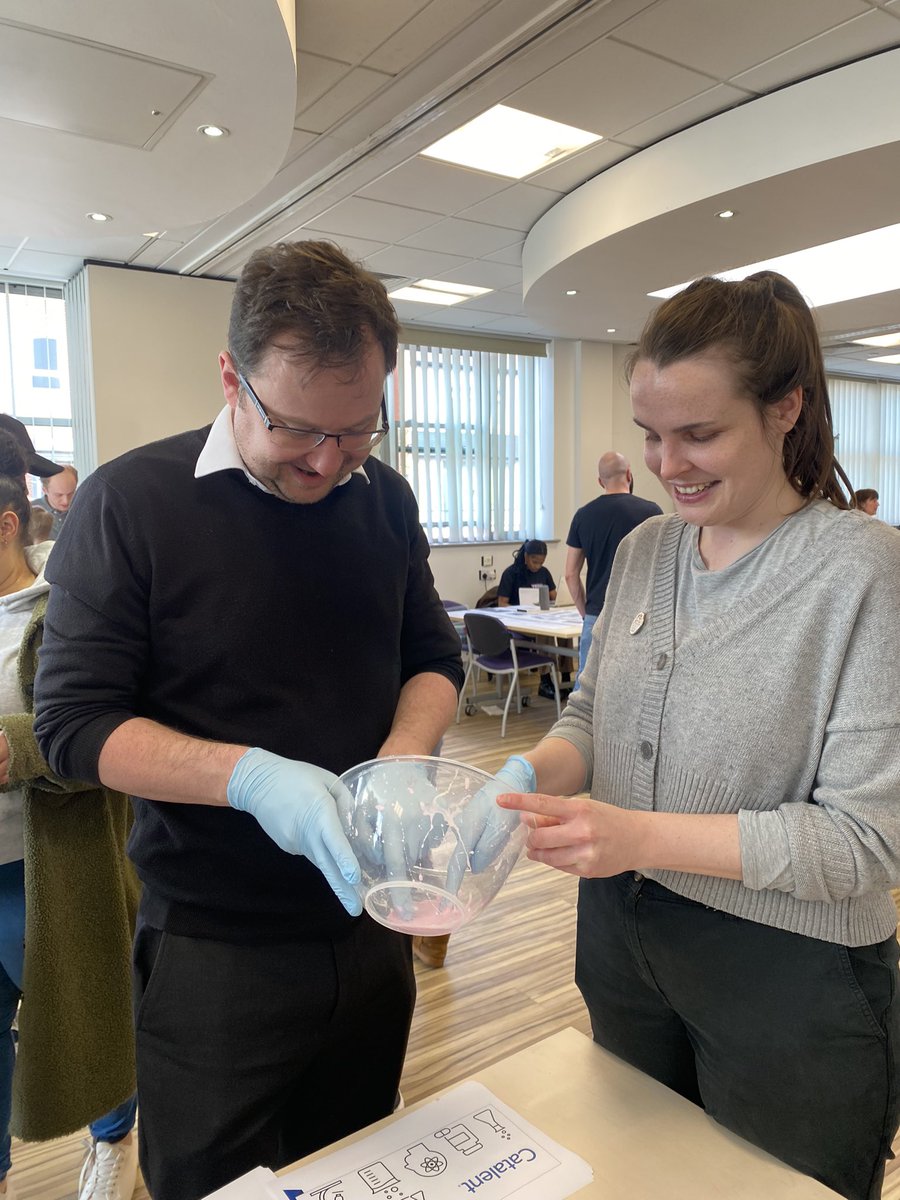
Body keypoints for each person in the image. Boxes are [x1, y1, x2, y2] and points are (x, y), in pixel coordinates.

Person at [33, 240, 464, 1200]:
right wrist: (249, 777)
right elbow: (74, 726)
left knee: (357, 1165)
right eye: (301, 430)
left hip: (369, 926)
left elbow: (434, 661)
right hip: (214, 949)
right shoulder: (130, 505)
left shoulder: (382, 499)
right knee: (214, 1183)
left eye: (360, 431)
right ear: (232, 377)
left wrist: (400, 755)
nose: (328, 460)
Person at [488, 271, 900, 1200]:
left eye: (700, 434)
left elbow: (867, 844)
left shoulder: (865, 574)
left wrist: (636, 835)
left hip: (794, 973)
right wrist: (528, 770)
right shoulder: (646, 552)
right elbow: (592, 713)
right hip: (625, 937)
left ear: (785, 408)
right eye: (650, 435)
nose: (668, 464)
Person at [0, 432, 139, 1200]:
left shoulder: (63, 610)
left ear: (8, 523)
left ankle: (115, 1140)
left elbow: (103, 730)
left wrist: (13, 750)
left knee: (89, 1025)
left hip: (47, 870)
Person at [564, 451, 661, 681]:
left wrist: (585, 612)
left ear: (600, 481)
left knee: (586, 687)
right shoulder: (651, 513)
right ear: (629, 474)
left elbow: (570, 574)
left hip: (596, 613)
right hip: (638, 616)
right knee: (633, 683)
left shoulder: (583, 516)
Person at [497, 539, 556, 606]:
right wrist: (518, 611)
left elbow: (554, 598)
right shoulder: (511, 573)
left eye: (541, 563)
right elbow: (502, 603)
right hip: (518, 613)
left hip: (541, 613)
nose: (537, 566)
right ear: (526, 556)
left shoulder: (544, 572)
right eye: (534, 562)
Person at [32, 465, 78, 539]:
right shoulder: (31, 513)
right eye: (58, 495)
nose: (66, 501)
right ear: (45, 490)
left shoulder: (84, 508)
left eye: (71, 493)